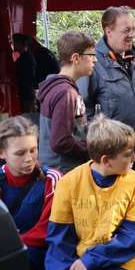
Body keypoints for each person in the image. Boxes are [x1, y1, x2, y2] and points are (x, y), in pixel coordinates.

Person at [27, 116, 135, 270]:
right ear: (106, 160)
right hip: (81, 259)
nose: (134, 157)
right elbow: (60, 240)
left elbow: (134, 236)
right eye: (128, 154)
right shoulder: (68, 183)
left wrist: (90, 260)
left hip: (125, 261)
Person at [78, 6, 135, 185]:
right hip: (113, 157)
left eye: (133, 29)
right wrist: (102, 143)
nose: (132, 35)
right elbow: (83, 111)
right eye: (126, 30)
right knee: (116, 210)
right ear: (108, 31)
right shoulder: (94, 63)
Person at [0, 116, 62, 270]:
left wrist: (14, 248)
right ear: (1, 153)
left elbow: (49, 228)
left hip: (40, 255)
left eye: (33, 150)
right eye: (20, 153)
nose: (29, 159)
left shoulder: (52, 179)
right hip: (2, 253)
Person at [38, 31, 96, 173]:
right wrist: (92, 149)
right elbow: (60, 142)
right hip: (63, 172)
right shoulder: (66, 93)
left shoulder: (60, 87)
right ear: (76, 58)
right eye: (91, 55)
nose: (95, 60)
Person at [13, 33, 37, 113]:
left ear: (20, 43)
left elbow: (26, 77)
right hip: (27, 93)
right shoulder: (26, 56)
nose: (14, 45)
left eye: (15, 43)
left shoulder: (25, 58)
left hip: (26, 93)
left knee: (27, 117)